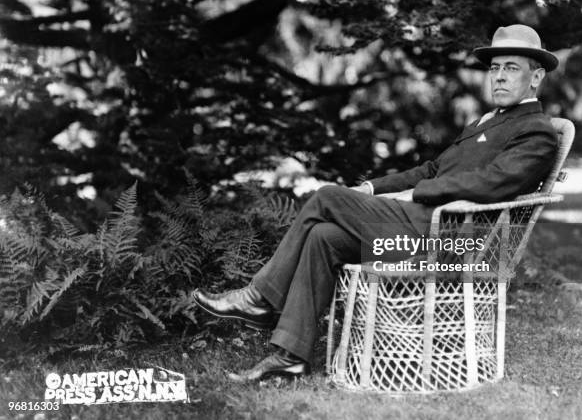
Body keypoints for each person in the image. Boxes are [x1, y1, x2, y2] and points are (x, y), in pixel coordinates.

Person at [193, 24, 559, 382]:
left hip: (453, 242)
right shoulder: (485, 122)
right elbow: (432, 168)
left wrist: (417, 194)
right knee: (322, 236)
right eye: (494, 68)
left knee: (327, 197)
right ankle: (290, 356)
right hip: (414, 233)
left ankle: (259, 297)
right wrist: (373, 187)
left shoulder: (536, 130)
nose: (499, 77)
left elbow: (492, 184)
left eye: (511, 68)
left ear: (536, 77)